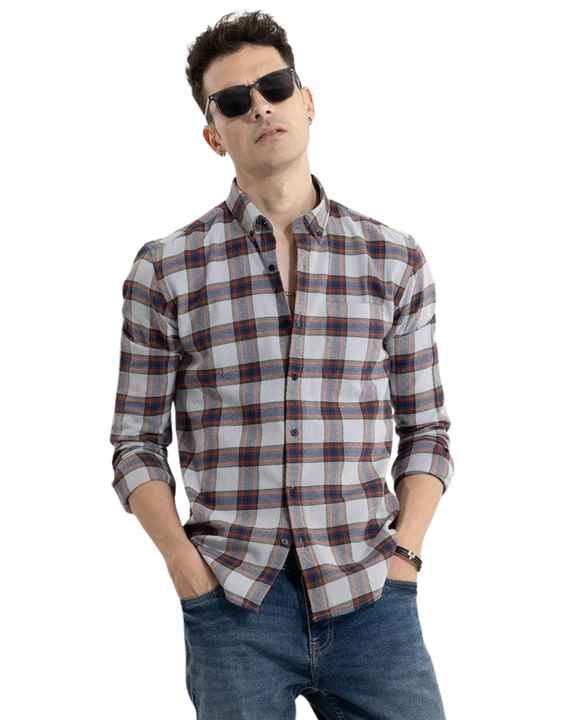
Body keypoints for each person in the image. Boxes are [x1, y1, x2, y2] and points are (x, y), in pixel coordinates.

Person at [109, 10, 454, 719]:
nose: (260, 107)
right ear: (214, 134)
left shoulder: (394, 260)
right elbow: (136, 444)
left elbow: (428, 432)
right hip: (233, 603)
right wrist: (185, 568)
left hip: (371, 597)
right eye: (235, 101)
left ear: (306, 99)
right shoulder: (166, 269)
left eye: (274, 86)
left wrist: (406, 559)